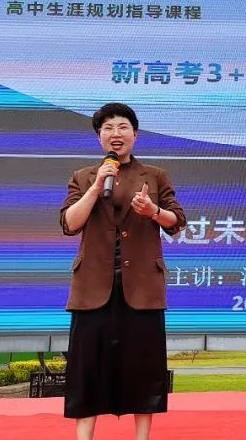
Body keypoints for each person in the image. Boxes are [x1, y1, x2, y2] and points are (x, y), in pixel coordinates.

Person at [59, 102, 187, 440]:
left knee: (144, 369)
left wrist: (153, 210)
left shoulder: (155, 176)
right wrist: (96, 186)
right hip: (92, 286)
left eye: (123, 127)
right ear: (99, 137)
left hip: (142, 285)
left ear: (135, 134)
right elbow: (70, 223)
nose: (116, 134)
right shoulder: (83, 176)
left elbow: (177, 222)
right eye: (108, 128)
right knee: (87, 369)